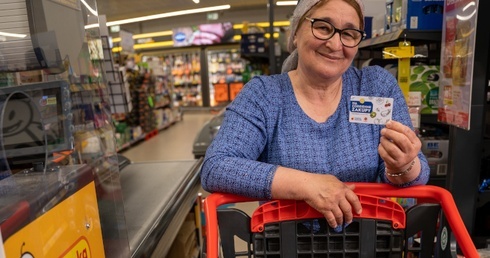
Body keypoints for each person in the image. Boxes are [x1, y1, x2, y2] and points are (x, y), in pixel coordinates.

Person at [201, 0, 430, 232]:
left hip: (367, 242)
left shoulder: (375, 87)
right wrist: (310, 185)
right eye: (323, 27)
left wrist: (402, 166)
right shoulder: (265, 95)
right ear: (295, 33)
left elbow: (417, 174)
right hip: (285, 244)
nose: (334, 43)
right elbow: (216, 167)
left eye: (349, 33)